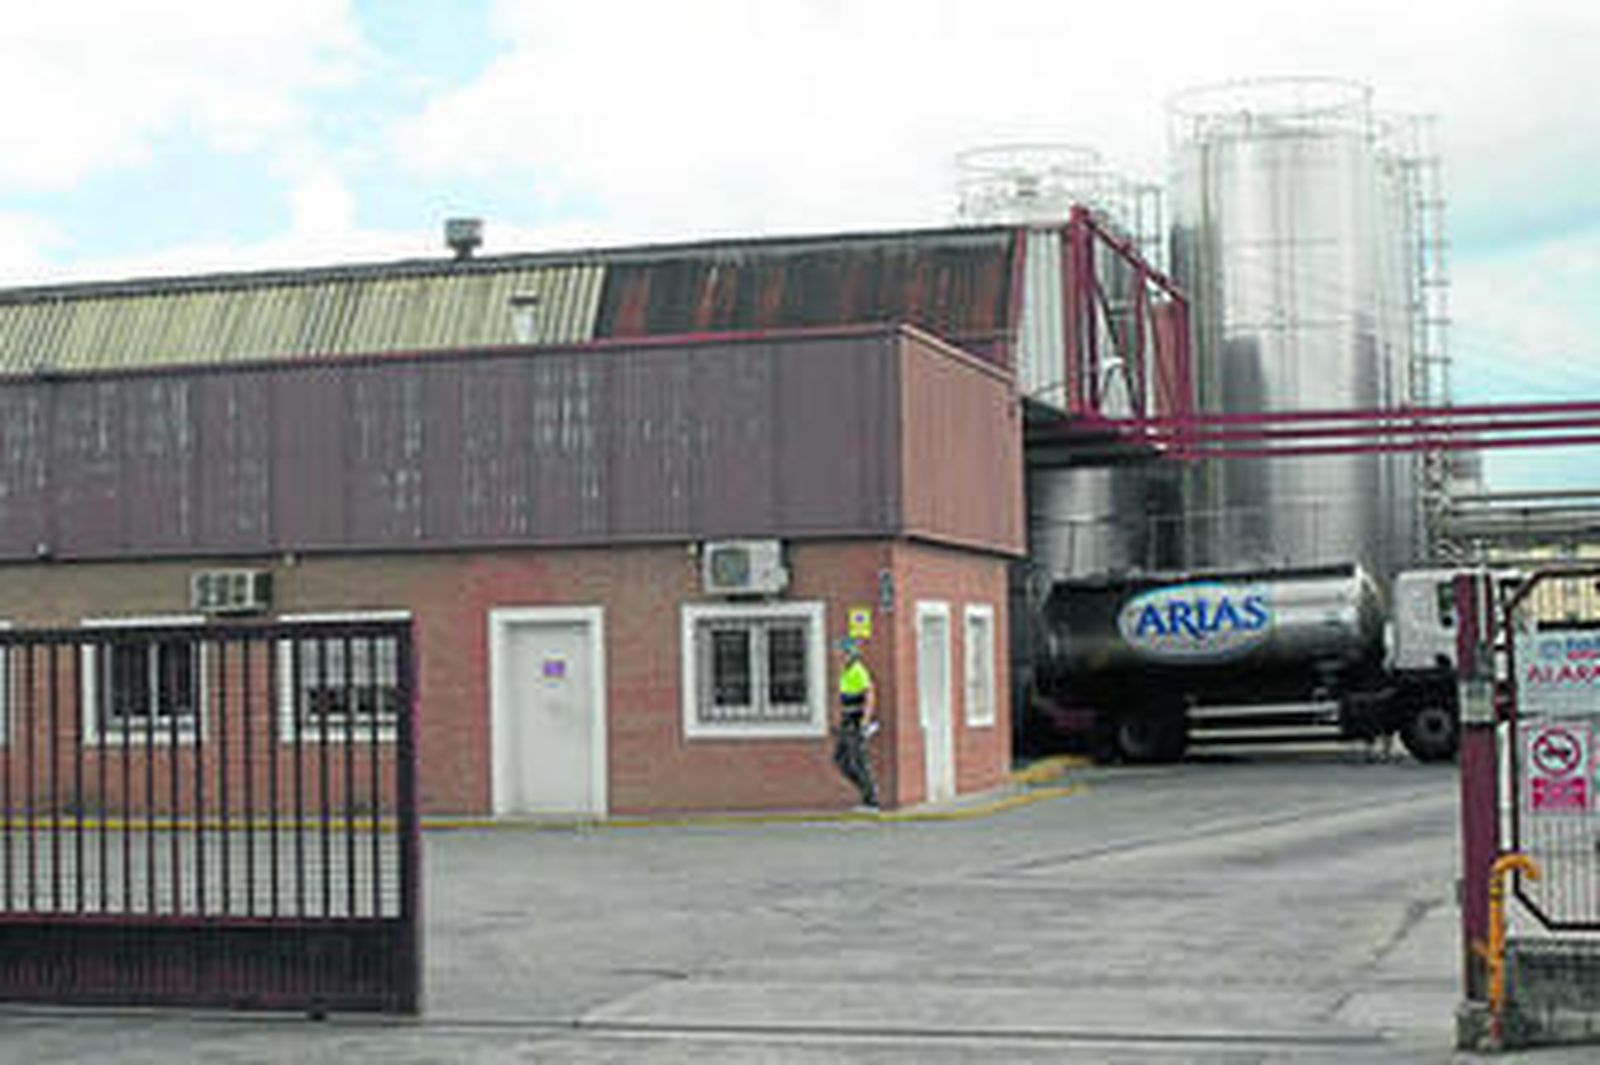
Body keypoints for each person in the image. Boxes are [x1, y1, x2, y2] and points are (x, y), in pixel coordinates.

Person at [833, 651, 880, 808]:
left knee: (858, 759)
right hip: (846, 722)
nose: (840, 657)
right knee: (840, 759)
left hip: (856, 722)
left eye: (844, 654)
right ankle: (866, 790)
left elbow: (870, 695)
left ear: (851, 656)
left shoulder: (858, 671)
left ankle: (871, 798)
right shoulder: (845, 673)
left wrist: (865, 722)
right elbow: (843, 701)